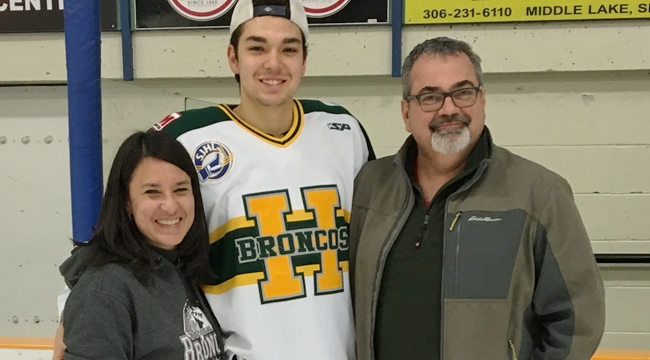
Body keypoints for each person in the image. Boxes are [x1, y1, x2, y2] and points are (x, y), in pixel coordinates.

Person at [53, 0, 374, 359]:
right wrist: (73, 312)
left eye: (289, 49)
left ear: (304, 59)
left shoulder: (343, 131)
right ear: (233, 58)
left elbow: (377, 243)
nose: (273, 63)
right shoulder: (187, 138)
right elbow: (120, 236)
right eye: (257, 47)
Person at [349, 37, 605, 360]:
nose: (450, 108)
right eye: (430, 96)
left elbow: (578, 320)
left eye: (463, 92)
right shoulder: (368, 188)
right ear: (406, 112)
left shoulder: (540, 194)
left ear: (482, 99)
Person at [60, 131, 225, 359]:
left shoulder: (179, 266)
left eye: (180, 190)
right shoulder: (104, 290)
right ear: (127, 201)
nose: (170, 205)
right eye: (152, 192)